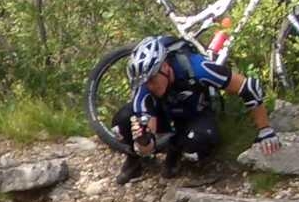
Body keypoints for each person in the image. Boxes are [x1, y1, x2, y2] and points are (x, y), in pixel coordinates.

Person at [112, 36, 278, 184]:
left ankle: (176, 148)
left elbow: (249, 87)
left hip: (195, 114)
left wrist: (265, 130)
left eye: (153, 79)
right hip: (164, 114)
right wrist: (143, 141)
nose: (150, 86)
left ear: (165, 66)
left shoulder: (197, 67)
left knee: (199, 142)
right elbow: (149, 138)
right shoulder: (144, 88)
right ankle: (134, 159)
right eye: (145, 82)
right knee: (122, 122)